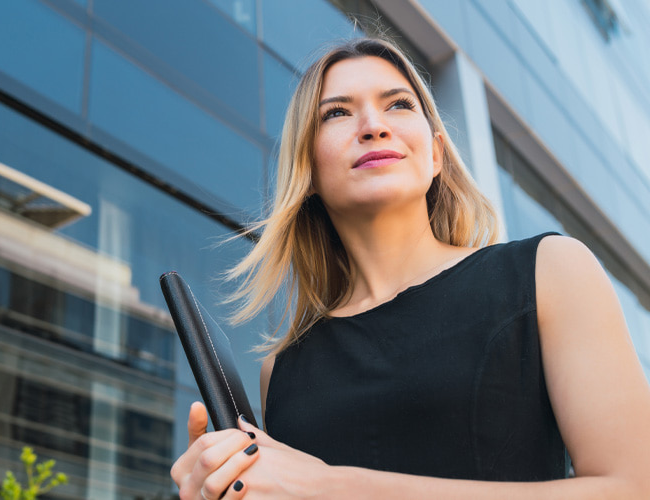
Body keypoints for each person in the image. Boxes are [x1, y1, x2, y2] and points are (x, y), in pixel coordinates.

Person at [170, 37, 650, 499]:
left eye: (398, 104)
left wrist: (332, 488)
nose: (373, 125)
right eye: (336, 113)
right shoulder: (282, 371)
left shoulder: (549, 273)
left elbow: (634, 490)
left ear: (436, 153)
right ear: (308, 169)